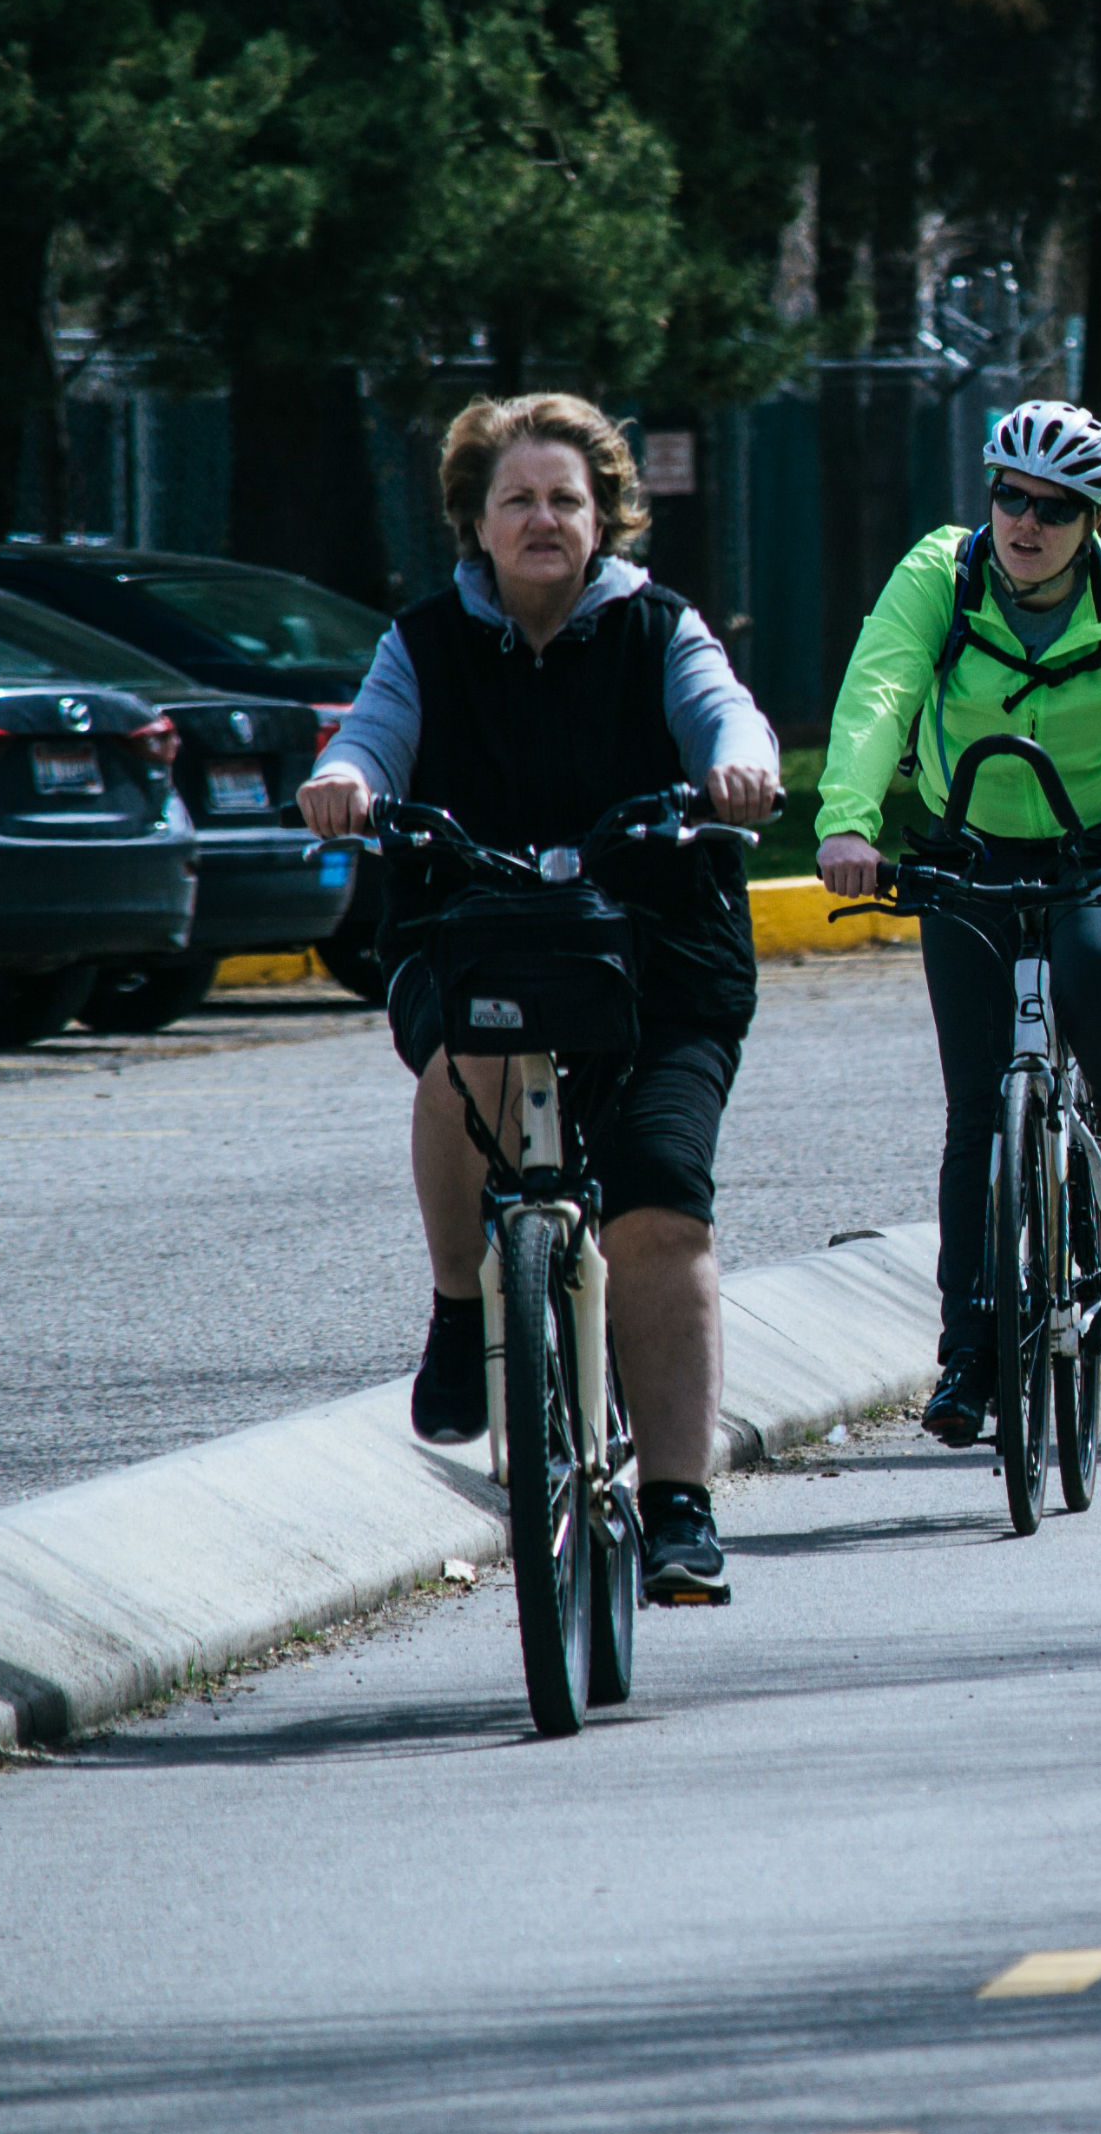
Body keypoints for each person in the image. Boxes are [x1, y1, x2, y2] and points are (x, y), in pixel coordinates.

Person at [299, 394, 782, 1604]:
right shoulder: (424, 640)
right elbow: (372, 734)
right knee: (470, 1056)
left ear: (605, 515)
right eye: (517, 498)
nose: (544, 519)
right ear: (475, 518)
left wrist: (741, 768)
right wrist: (344, 781)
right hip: (476, 940)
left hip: (660, 959)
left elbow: (725, 711)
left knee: (659, 1215)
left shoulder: (659, 627)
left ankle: (678, 1507)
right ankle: (464, 1308)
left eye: (567, 497)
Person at [814, 399, 1101, 1448]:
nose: (1027, 522)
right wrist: (848, 823)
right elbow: (881, 690)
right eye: (1011, 496)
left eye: (1056, 507)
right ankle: (966, 1354)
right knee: (974, 1113)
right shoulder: (939, 575)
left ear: (1092, 519)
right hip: (972, 843)